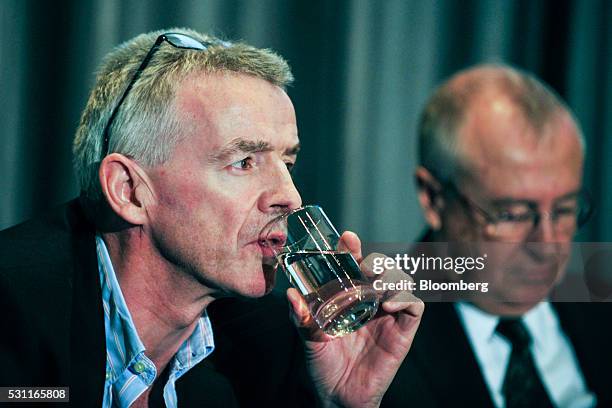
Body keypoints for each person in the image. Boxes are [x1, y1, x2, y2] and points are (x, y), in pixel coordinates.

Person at [0, 28, 424, 407]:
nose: (290, 198)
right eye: (243, 162)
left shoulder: (274, 344)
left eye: (288, 164)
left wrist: (343, 404)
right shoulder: (11, 310)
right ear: (129, 190)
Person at [382, 64, 612, 407]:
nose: (548, 245)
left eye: (564, 210)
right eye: (512, 214)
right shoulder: (374, 351)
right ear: (433, 197)